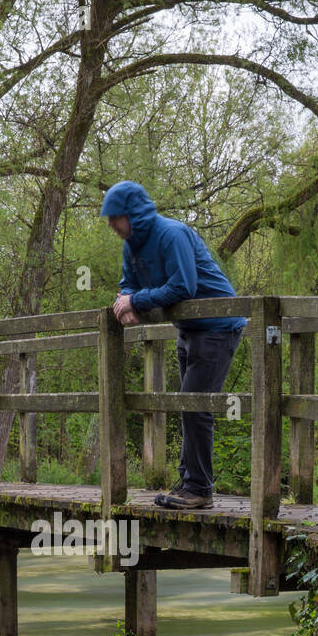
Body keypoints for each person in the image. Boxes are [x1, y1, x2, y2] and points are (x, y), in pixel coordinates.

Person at [101, 180, 246, 509]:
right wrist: (126, 302)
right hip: (189, 328)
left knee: (194, 404)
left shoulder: (172, 234)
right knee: (187, 404)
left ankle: (200, 490)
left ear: (132, 214)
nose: (111, 225)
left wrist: (137, 301)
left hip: (218, 326)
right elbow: (128, 285)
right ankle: (188, 481)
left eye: (114, 218)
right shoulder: (131, 247)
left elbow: (184, 286)